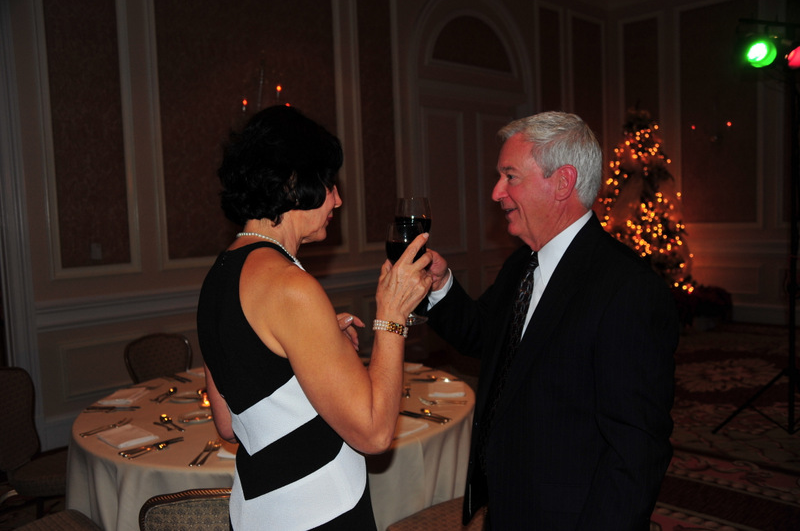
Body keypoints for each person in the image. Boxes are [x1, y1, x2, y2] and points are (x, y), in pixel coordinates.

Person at [420, 111, 678, 530]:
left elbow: (636, 449)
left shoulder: (627, 289)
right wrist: (440, 285)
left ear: (562, 182)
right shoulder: (522, 264)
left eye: (510, 176)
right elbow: (486, 336)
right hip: (509, 505)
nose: (496, 192)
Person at [196, 105, 432, 530]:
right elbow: (375, 434)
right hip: (320, 513)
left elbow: (228, 424)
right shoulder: (290, 285)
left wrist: (312, 348)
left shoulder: (218, 277)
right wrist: (392, 316)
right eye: (327, 183)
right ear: (293, 183)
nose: (337, 199)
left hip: (257, 513)